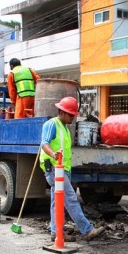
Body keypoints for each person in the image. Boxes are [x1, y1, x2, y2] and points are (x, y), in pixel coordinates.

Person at [40, 96, 105, 242]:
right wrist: (53, 154)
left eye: (74, 115)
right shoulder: (52, 124)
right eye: (70, 114)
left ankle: (56, 233)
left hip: (63, 169)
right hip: (55, 169)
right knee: (70, 198)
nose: (73, 118)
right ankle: (87, 230)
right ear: (62, 112)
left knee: (56, 201)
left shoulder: (65, 128)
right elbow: (44, 143)